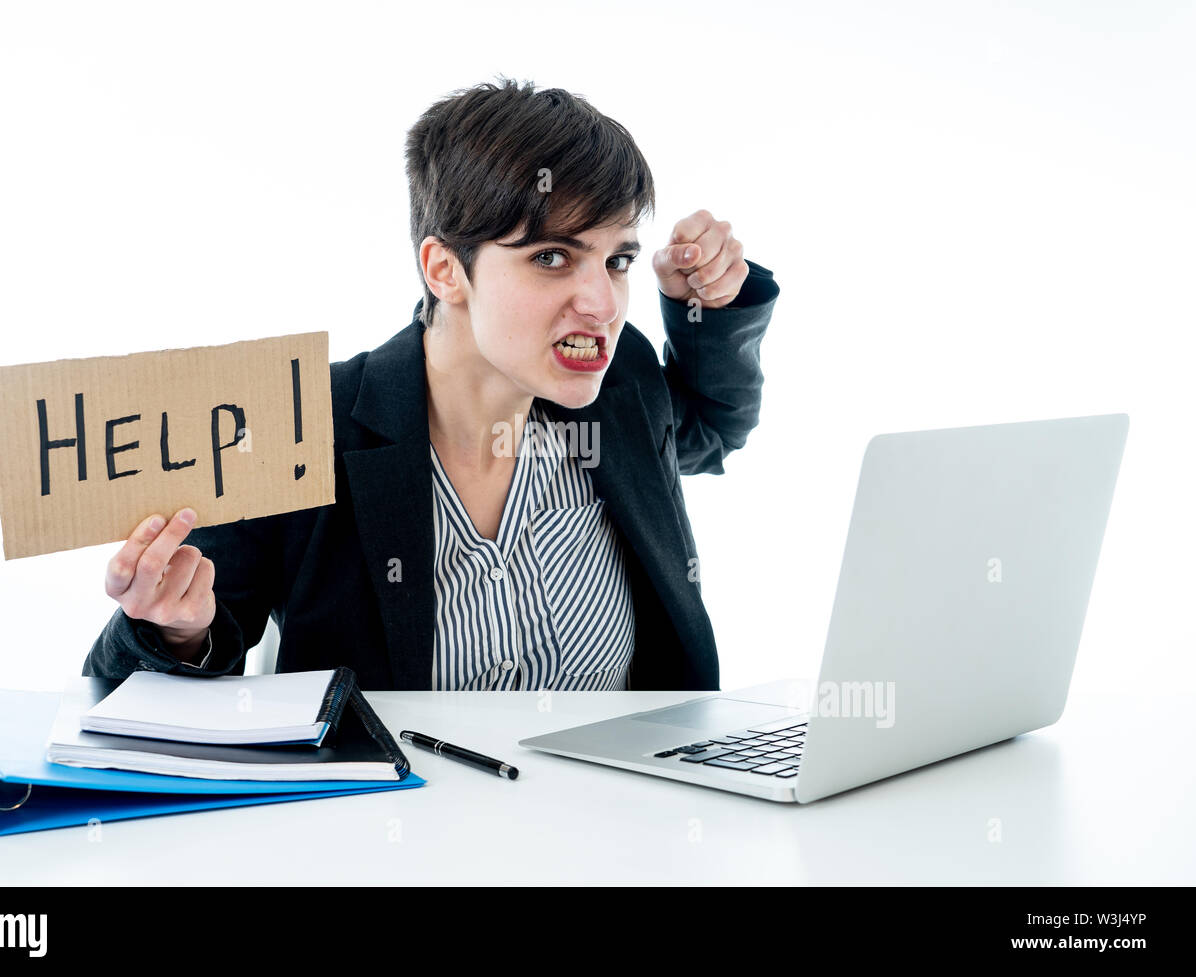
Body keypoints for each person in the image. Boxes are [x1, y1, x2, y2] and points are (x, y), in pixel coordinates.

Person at [84, 77, 780, 690]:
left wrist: (710, 312)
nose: (601, 302)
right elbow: (123, 702)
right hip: (388, 829)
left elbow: (712, 430)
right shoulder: (304, 426)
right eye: (552, 256)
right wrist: (175, 634)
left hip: (620, 828)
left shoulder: (620, 385)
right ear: (445, 270)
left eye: (618, 260)